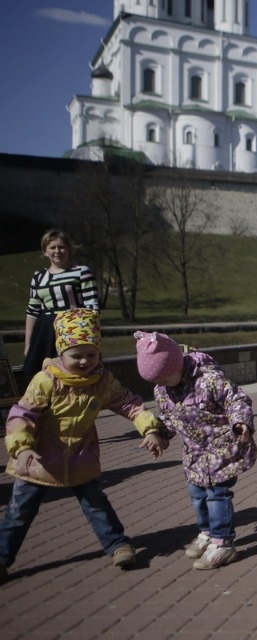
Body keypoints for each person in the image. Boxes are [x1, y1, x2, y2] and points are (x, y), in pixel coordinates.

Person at [0, 308, 166, 581]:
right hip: (37, 460)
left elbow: (129, 403)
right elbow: (22, 414)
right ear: (61, 353)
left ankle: (117, 545)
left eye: (91, 354)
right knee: (19, 512)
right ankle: (2, 557)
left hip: (80, 457)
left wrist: (149, 429)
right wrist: (22, 446)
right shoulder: (46, 380)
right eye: (76, 355)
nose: (84, 361)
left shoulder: (102, 381)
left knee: (96, 503)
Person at [134, 331, 256, 570]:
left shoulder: (209, 380)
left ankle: (223, 543)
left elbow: (237, 400)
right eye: (157, 381)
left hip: (222, 447)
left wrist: (240, 421)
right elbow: (170, 418)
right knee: (197, 493)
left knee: (217, 494)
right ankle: (207, 532)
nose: (163, 384)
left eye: (166, 378)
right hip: (195, 453)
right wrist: (160, 434)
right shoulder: (162, 390)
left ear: (177, 363)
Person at [22, 229, 100, 380]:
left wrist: (87, 339)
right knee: (46, 376)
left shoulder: (81, 272)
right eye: (52, 247)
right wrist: (28, 344)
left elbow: (92, 308)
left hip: (73, 330)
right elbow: (32, 312)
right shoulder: (38, 277)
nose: (57, 251)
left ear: (69, 249)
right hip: (45, 331)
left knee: (75, 371)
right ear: (45, 251)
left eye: (61, 247)